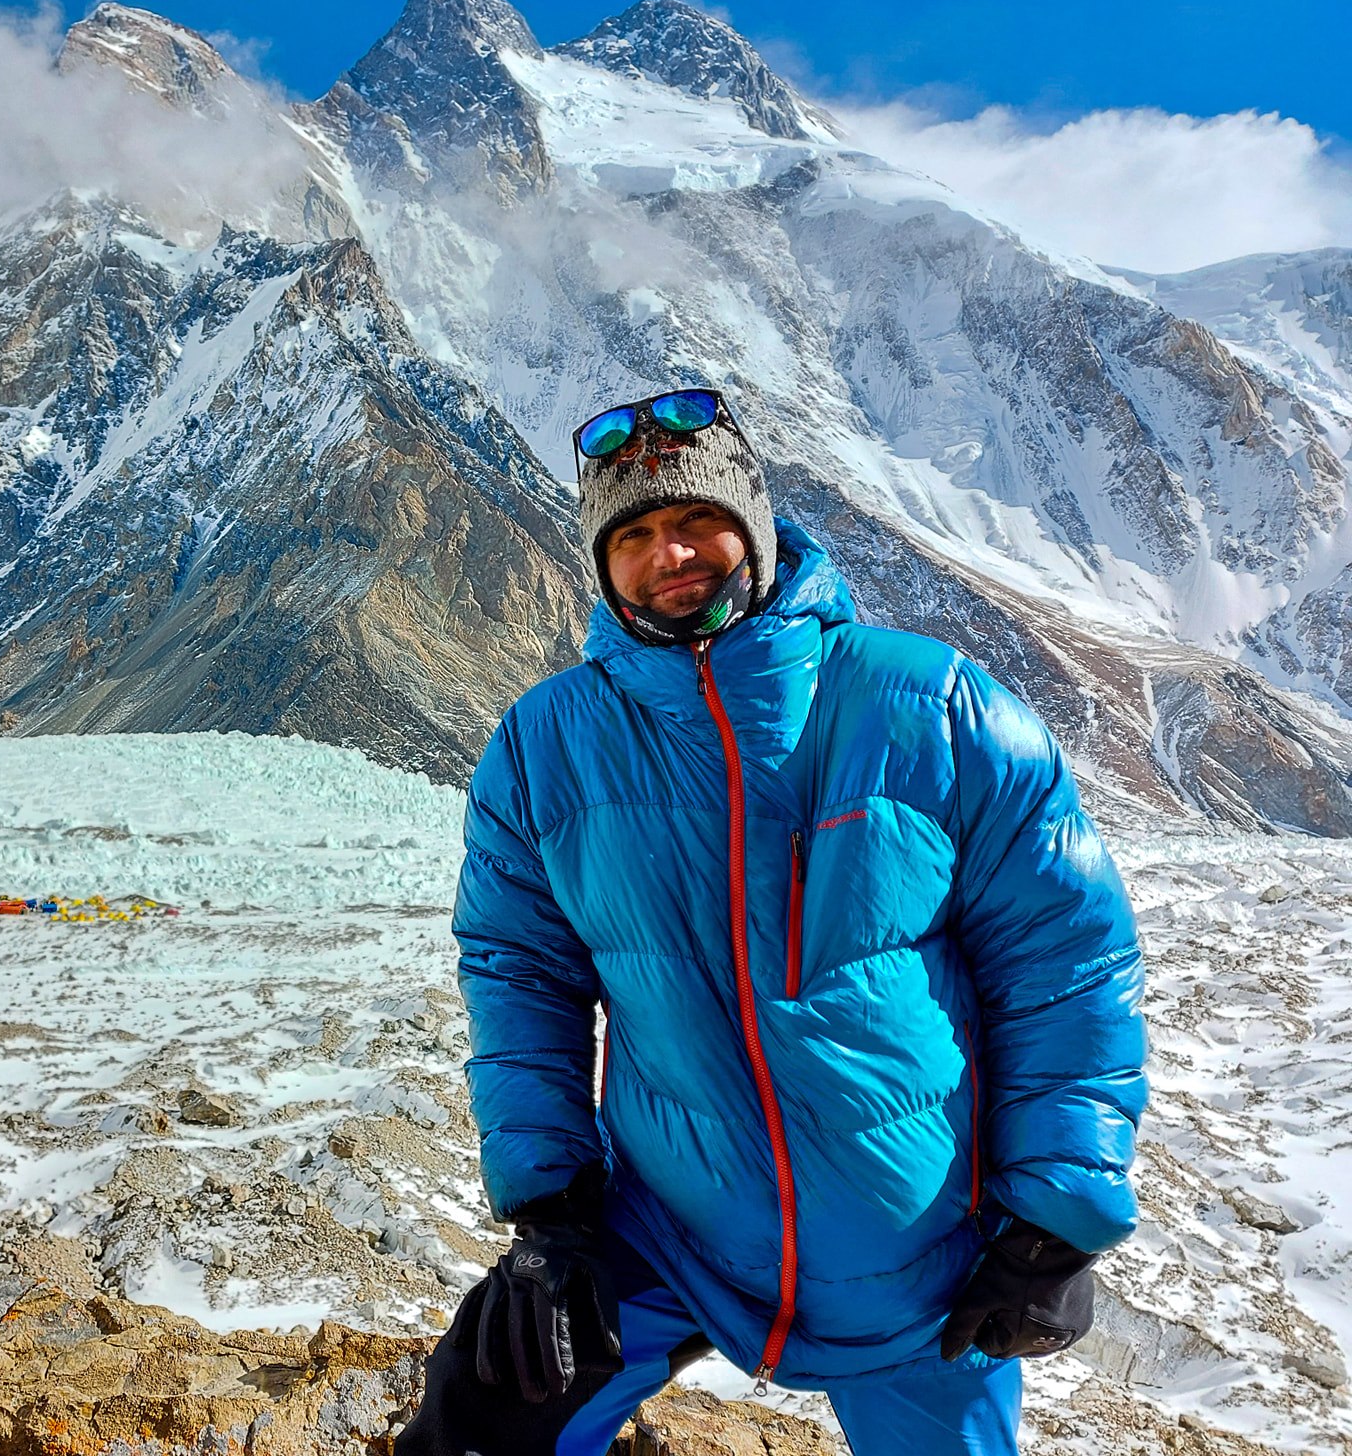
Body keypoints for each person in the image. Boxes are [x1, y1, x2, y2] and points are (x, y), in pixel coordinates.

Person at [398, 389, 1146, 1455]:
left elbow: (1064, 963)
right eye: (635, 533)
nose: (672, 553)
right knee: (484, 1410)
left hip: (922, 1256)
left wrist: (1053, 1222)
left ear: (750, 523)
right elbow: (521, 976)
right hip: (674, 1233)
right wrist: (551, 1213)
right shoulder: (541, 746)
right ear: (601, 563)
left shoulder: (930, 706)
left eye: (697, 520)